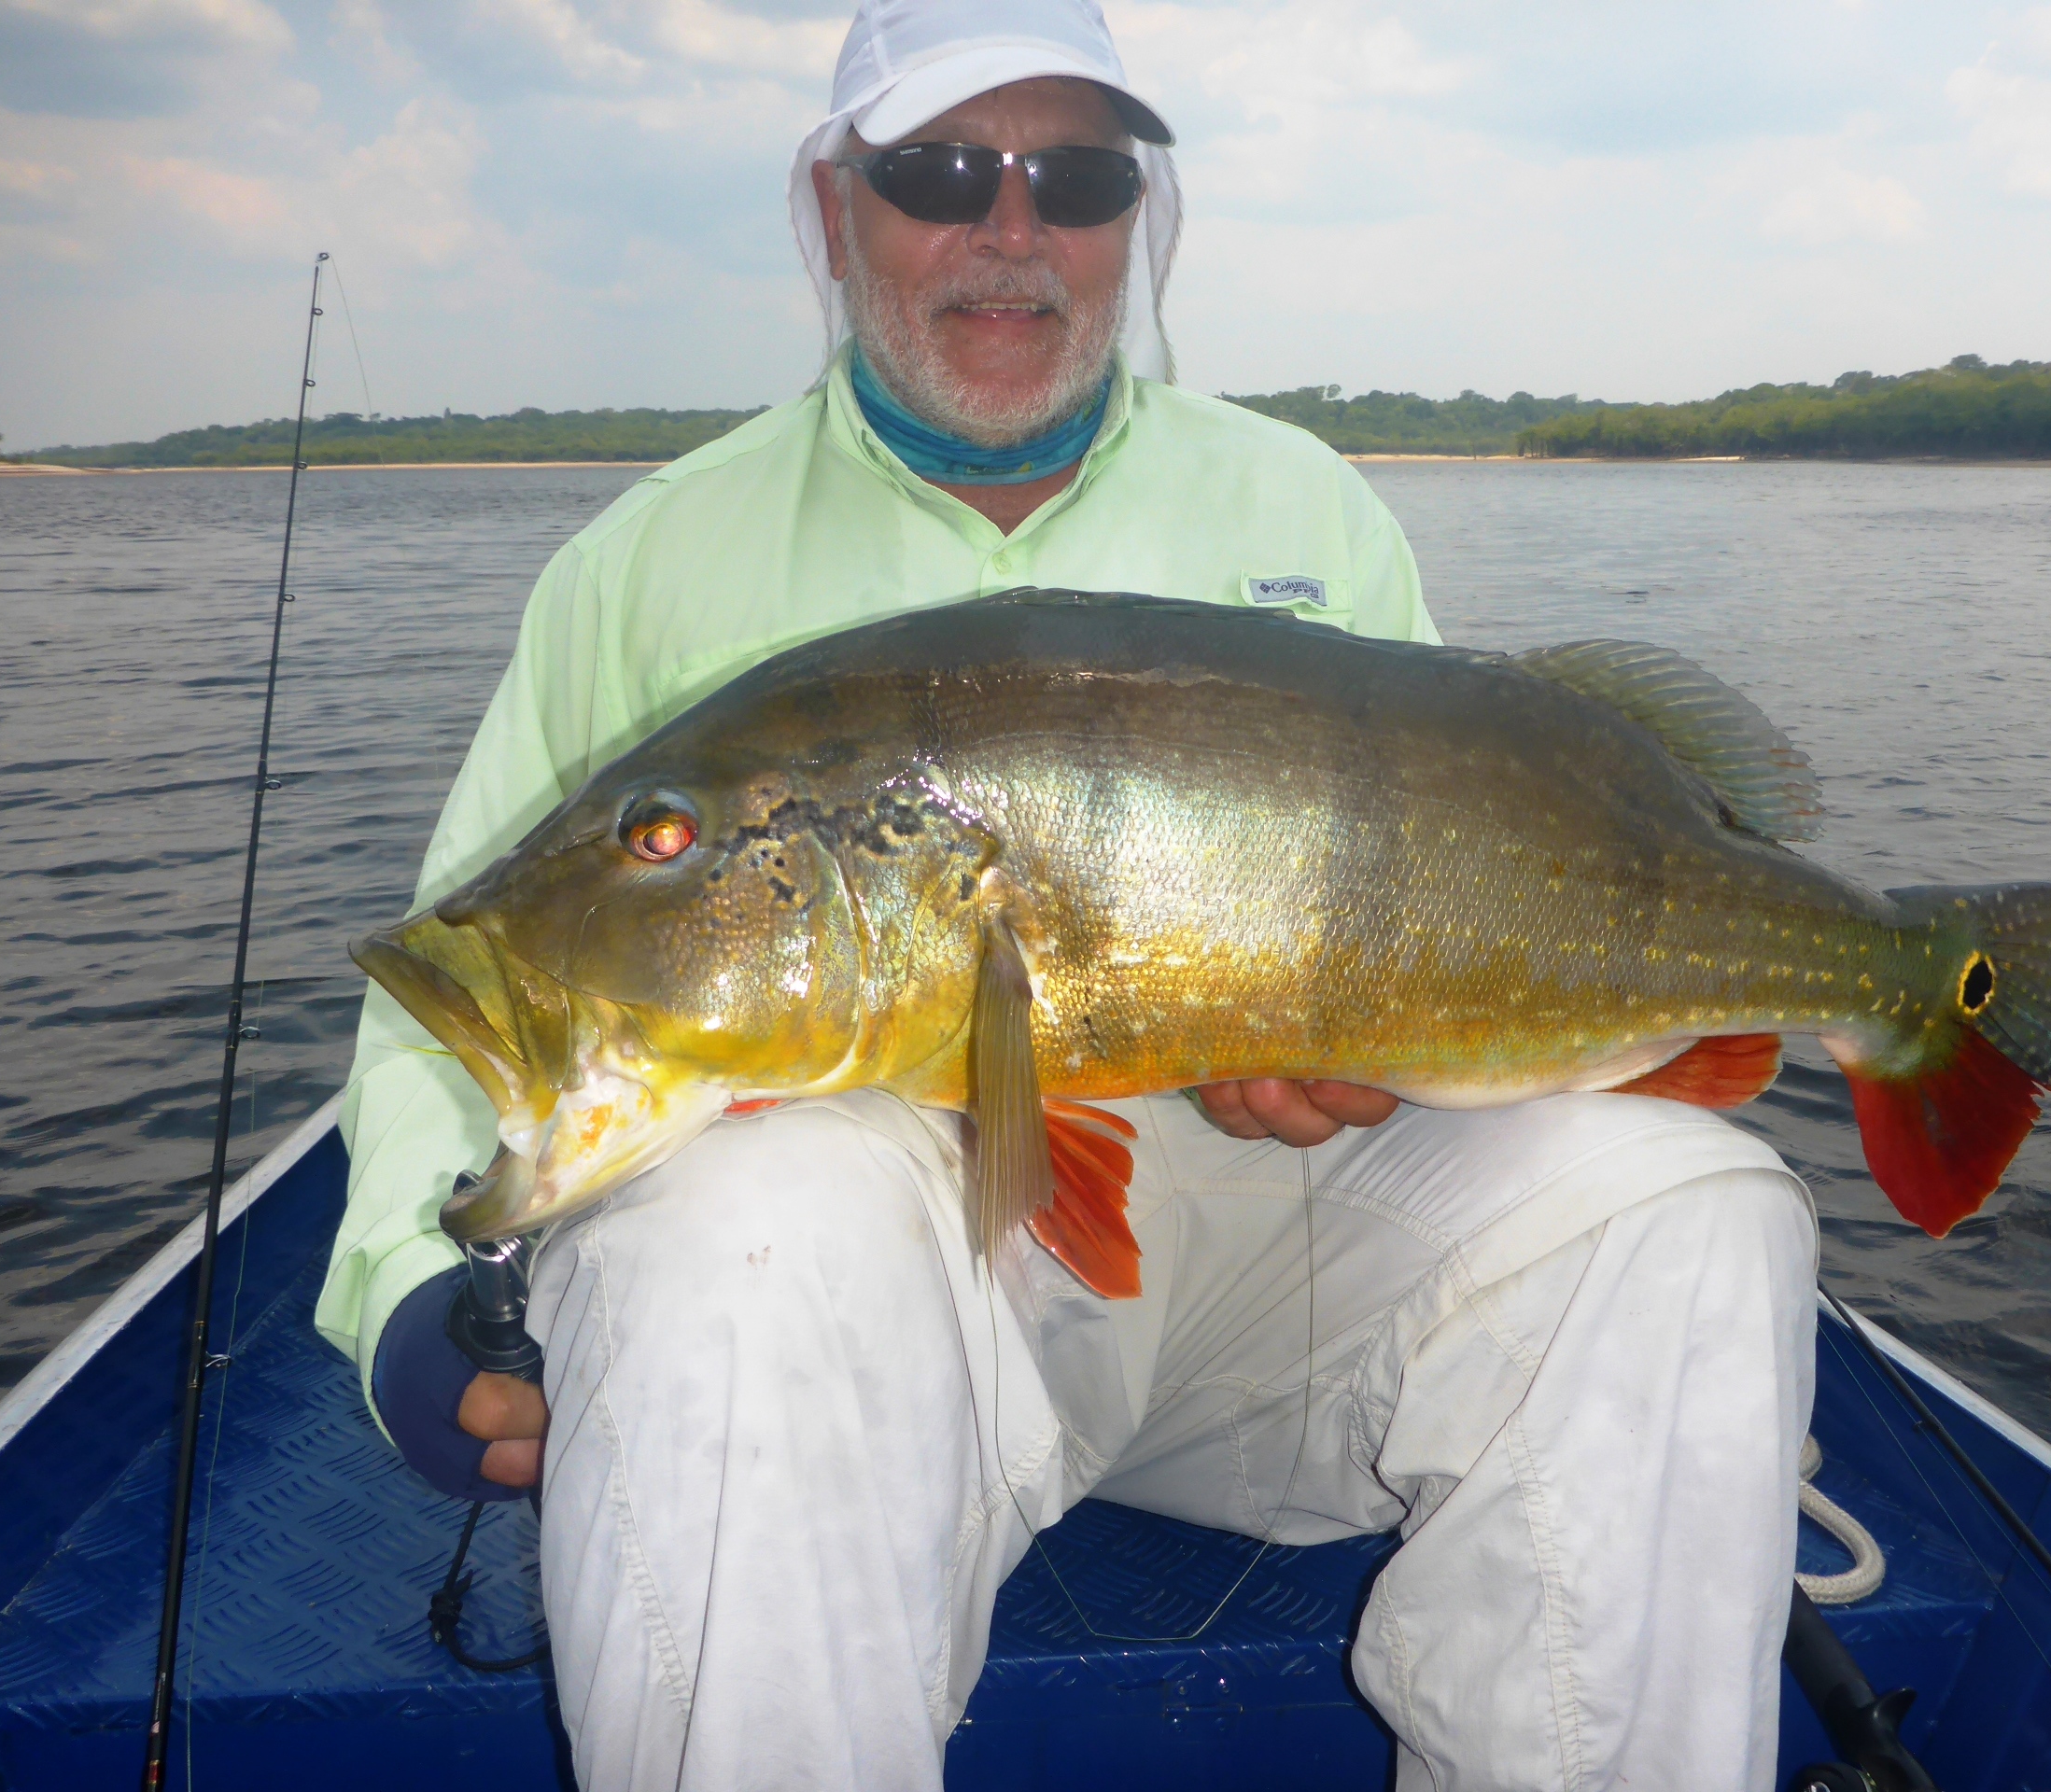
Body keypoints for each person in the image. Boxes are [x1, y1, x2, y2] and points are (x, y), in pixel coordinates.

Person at [316, 2, 1819, 1785]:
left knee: (1697, 1206)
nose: (1011, 229)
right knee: (750, 1215)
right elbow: (466, 976)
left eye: (1081, 175)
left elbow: (1463, 879)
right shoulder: (640, 564)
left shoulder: (1308, 507)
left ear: (1140, 219)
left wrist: (1373, 1049)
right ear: (833, 211)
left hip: (1288, 1281)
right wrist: (416, 1289)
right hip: (876, 1324)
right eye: (943, 171)